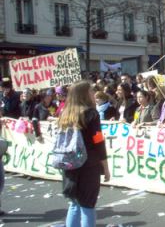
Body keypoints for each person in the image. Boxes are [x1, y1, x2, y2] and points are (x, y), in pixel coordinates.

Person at [58, 80, 110, 227]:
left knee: (74, 203)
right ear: (84, 94)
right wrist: (105, 166)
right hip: (89, 164)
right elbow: (98, 141)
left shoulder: (65, 114)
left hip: (69, 163)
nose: (93, 94)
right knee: (88, 205)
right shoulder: (91, 114)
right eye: (91, 91)